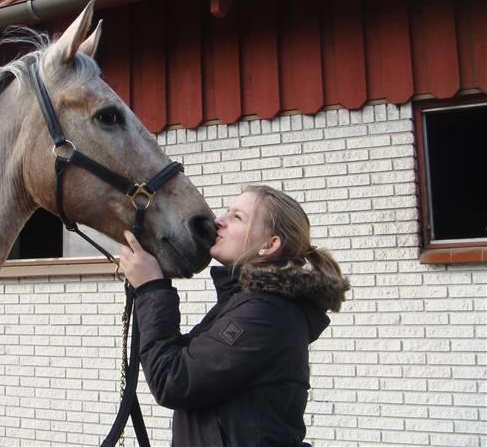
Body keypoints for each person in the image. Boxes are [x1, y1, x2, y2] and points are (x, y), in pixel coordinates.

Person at [119, 184, 350, 447]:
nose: (219, 221)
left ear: (269, 244)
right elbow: (179, 359)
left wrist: (152, 289)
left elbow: (173, 380)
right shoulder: (245, 302)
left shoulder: (267, 313)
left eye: (237, 217)